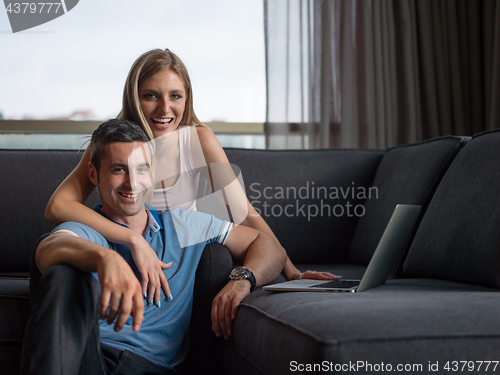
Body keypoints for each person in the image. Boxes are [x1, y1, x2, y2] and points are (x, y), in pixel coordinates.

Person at [45, 48, 338, 310]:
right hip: (123, 257)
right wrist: (132, 238)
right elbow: (57, 206)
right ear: (135, 97)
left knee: (217, 256)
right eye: (151, 96)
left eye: (175, 96)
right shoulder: (114, 143)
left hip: (182, 271)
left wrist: (292, 272)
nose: (164, 109)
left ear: (187, 99)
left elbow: (244, 214)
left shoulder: (199, 141)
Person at [21, 119, 286, 374]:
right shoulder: (90, 228)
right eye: (118, 169)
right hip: (90, 360)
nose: (132, 183)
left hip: (149, 366)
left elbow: (269, 246)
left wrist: (243, 279)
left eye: (141, 169)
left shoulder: (183, 226)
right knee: (63, 273)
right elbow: (47, 249)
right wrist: (104, 258)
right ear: (93, 174)